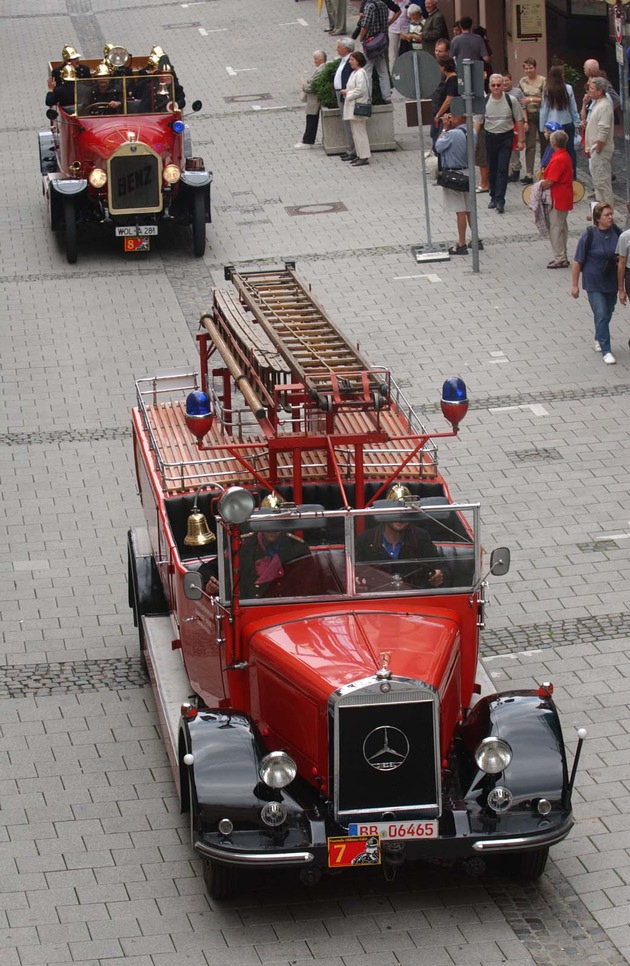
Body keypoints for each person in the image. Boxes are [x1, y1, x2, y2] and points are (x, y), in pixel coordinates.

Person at [355, 485, 448, 588]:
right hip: (377, 600)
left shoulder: (421, 537)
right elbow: (351, 573)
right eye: (395, 512)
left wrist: (438, 574)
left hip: (414, 598)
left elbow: (440, 566)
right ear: (386, 512)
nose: (400, 518)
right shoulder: (364, 540)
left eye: (405, 513)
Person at [571, 202, 621, 364]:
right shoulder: (589, 234)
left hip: (611, 280)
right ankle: (606, 350)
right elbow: (578, 261)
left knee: (608, 311)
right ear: (598, 218)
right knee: (600, 312)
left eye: (611, 214)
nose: (610, 217)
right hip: (594, 282)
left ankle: (598, 335)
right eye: (607, 215)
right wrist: (575, 285)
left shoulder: (615, 231)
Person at [238, 497, 312, 598]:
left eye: (277, 522)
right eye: (268, 522)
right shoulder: (241, 546)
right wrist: (210, 584)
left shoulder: (299, 549)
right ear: (260, 522)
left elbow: (307, 589)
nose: (272, 528)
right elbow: (215, 569)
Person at [435, 113, 476, 256]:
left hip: (454, 175)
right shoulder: (472, 132)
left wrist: (445, 128)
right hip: (468, 172)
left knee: (460, 211)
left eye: (451, 117)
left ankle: (461, 243)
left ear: (458, 118)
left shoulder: (451, 134)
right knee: (470, 209)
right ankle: (476, 239)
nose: (449, 119)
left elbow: (438, 147)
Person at [485, 73, 524, 214]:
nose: (496, 87)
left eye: (498, 85)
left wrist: (521, 139)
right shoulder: (484, 101)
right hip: (490, 137)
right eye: (493, 85)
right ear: (489, 86)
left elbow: (519, 119)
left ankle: (500, 200)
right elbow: (477, 122)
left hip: (506, 138)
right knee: (492, 169)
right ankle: (493, 197)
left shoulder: (511, 100)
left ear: (503, 86)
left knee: (503, 169)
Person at [539, 130, 573, 269]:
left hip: (557, 197)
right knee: (562, 227)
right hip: (564, 196)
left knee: (556, 228)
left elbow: (550, 181)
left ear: (553, 143)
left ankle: (560, 258)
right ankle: (563, 255)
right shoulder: (565, 155)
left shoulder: (558, 159)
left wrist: (538, 185)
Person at [539, 65, 581, 178]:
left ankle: (555, 175)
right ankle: (572, 176)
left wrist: (542, 127)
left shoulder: (547, 89)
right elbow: (573, 108)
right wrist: (577, 123)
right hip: (567, 122)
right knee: (570, 151)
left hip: (553, 125)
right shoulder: (568, 88)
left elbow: (544, 109)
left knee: (553, 151)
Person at [358, 0, 398, 104]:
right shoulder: (383, 5)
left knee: (367, 71)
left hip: (371, 43)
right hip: (381, 41)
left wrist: (361, 38)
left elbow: (365, 25)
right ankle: (387, 96)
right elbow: (386, 22)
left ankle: (368, 98)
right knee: (383, 71)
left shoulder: (370, 6)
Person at [585, 76, 614, 206]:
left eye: (591, 89)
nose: (589, 91)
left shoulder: (604, 106)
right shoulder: (596, 103)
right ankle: (600, 211)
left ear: (600, 91)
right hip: (594, 150)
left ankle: (608, 211)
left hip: (600, 151)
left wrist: (598, 147)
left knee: (602, 183)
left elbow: (604, 129)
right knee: (597, 183)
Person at [518, 57, 546, 184]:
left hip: (541, 114)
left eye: (531, 68)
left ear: (535, 67)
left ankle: (544, 170)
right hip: (528, 115)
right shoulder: (522, 81)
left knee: (544, 143)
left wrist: (531, 99)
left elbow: (546, 98)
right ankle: (529, 173)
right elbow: (519, 97)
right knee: (530, 145)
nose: (529, 70)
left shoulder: (543, 81)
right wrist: (524, 120)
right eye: (526, 68)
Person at [341, 51, 371, 167]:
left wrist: (347, 93)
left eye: (352, 60)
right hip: (353, 107)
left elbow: (360, 90)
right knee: (356, 134)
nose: (350, 62)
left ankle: (364, 156)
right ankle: (359, 155)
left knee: (360, 134)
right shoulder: (355, 73)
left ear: (358, 60)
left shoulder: (360, 73)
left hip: (357, 107)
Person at [295, 50, 327, 149]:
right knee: (311, 118)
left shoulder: (321, 69)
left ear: (321, 59)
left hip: (314, 99)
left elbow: (312, 87)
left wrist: (304, 85)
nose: (314, 61)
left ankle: (308, 141)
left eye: (316, 59)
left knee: (311, 119)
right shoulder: (321, 68)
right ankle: (307, 140)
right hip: (314, 99)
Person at [333, 38, 357, 161]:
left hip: (345, 94)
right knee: (346, 122)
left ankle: (354, 150)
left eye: (339, 47)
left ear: (346, 49)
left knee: (349, 123)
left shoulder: (350, 61)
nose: (337, 49)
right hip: (340, 93)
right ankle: (351, 149)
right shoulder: (343, 60)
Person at [502, 72, 526, 182]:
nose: (504, 83)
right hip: (503, 124)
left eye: (506, 80)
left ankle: (516, 169)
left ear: (511, 80)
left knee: (514, 149)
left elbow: (523, 107)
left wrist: (525, 121)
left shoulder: (517, 92)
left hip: (515, 123)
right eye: (503, 81)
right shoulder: (498, 92)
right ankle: (508, 171)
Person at [431, 58, 458, 152]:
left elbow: (448, 100)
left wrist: (438, 114)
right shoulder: (448, 79)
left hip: (447, 116)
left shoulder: (452, 80)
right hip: (445, 115)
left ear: (443, 67)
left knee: (441, 140)